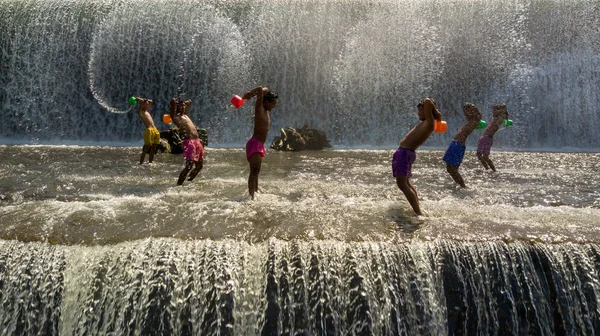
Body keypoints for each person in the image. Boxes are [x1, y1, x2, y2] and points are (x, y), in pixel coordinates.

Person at [393, 98, 442, 216]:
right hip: (405, 153)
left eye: (421, 111)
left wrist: (435, 111)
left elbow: (428, 101)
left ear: (428, 112)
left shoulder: (430, 122)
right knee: (406, 183)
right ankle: (417, 208)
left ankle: (418, 213)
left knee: (402, 184)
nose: (419, 114)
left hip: (405, 153)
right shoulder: (427, 122)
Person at [239, 86, 278, 199]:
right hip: (254, 143)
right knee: (253, 173)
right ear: (265, 102)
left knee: (257, 172)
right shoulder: (259, 109)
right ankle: (251, 197)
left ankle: (255, 193)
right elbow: (261, 89)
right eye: (273, 103)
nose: (274, 106)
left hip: (259, 145)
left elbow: (265, 90)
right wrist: (250, 94)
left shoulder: (265, 111)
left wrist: (253, 93)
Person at [442, 102, 482, 187]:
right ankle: (458, 182)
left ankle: (463, 186)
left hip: (458, 145)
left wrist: (472, 107)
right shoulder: (469, 122)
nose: (465, 114)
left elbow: (479, 115)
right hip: (455, 144)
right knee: (449, 168)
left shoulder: (475, 120)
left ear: (472, 112)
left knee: (453, 168)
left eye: (467, 111)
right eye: (464, 112)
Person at [169, 97, 204, 185]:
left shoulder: (185, 115)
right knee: (189, 166)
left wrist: (184, 103)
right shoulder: (175, 117)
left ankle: (189, 181)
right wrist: (174, 104)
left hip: (197, 141)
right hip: (189, 142)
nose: (182, 107)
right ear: (177, 108)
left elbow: (190, 102)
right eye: (180, 106)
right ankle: (179, 185)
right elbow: (172, 109)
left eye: (183, 106)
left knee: (199, 166)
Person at [476, 104, 509, 172]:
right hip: (484, 137)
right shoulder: (495, 118)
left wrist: (503, 109)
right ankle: (487, 169)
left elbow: (504, 115)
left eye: (495, 110)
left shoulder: (500, 119)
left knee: (485, 156)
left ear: (500, 111)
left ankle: (493, 170)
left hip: (487, 138)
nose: (493, 111)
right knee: (479, 155)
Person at [135, 97, 160, 164]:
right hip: (149, 130)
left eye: (147, 104)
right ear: (142, 105)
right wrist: (141, 102)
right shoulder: (140, 112)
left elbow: (151, 101)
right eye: (145, 104)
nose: (147, 105)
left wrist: (144, 100)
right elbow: (139, 110)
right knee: (146, 148)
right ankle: (141, 162)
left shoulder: (147, 111)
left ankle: (150, 162)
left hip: (155, 129)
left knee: (154, 147)